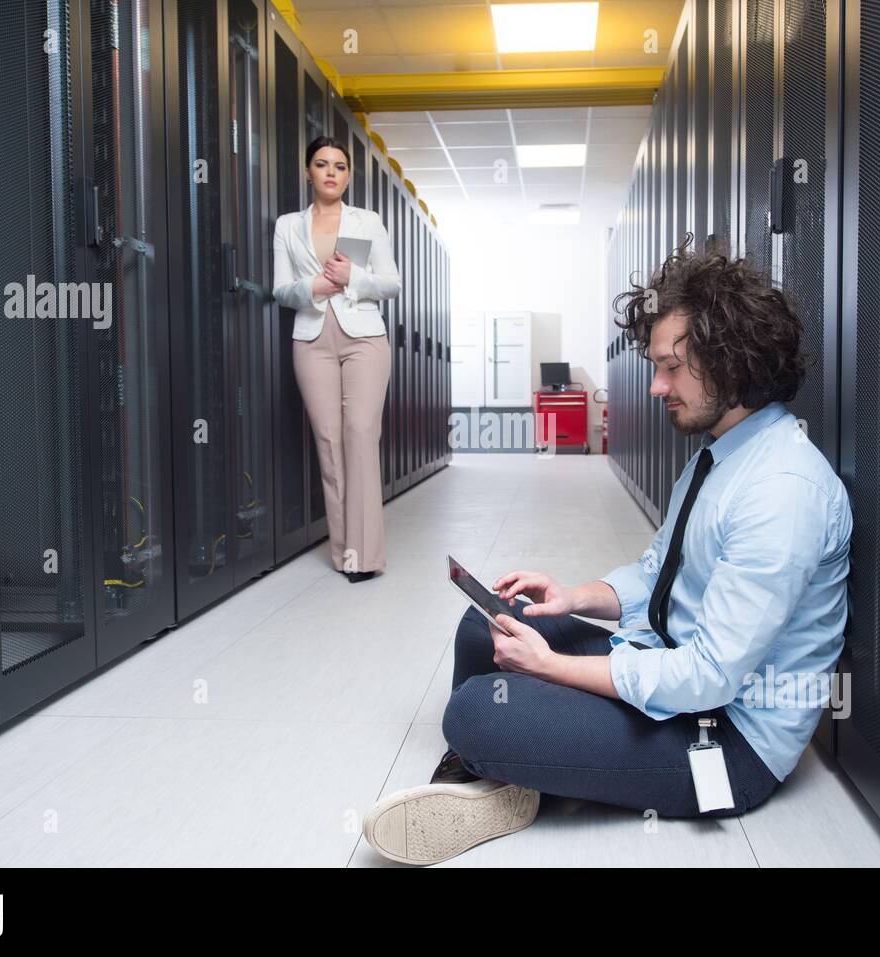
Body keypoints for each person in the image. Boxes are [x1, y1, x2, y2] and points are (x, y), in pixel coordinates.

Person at [362, 235, 853, 865]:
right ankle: (501, 772)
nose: (656, 386)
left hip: (723, 740)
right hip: (666, 659)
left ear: (732, 359)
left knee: (479, 709)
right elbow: (658, 574)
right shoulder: (722, 454)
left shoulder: (782, 490)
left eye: (672, 366)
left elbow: (707, 678)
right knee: (484, 625)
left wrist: (551, 667)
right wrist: (572, 597)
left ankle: (492, 760)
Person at [273, 136, 401, 582]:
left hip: (364, 337)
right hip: (312, 339)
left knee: (360, 434)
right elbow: (281, 289)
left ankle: (364, 557)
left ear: (348, 175)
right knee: (329, 442)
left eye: (340, 166)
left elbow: (391, 283)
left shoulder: (367, 221)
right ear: (308, 171)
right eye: (322, 164)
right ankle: (344, 551)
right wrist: (314, 288)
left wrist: (353, 278)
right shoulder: (287, 225)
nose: (331, 172)